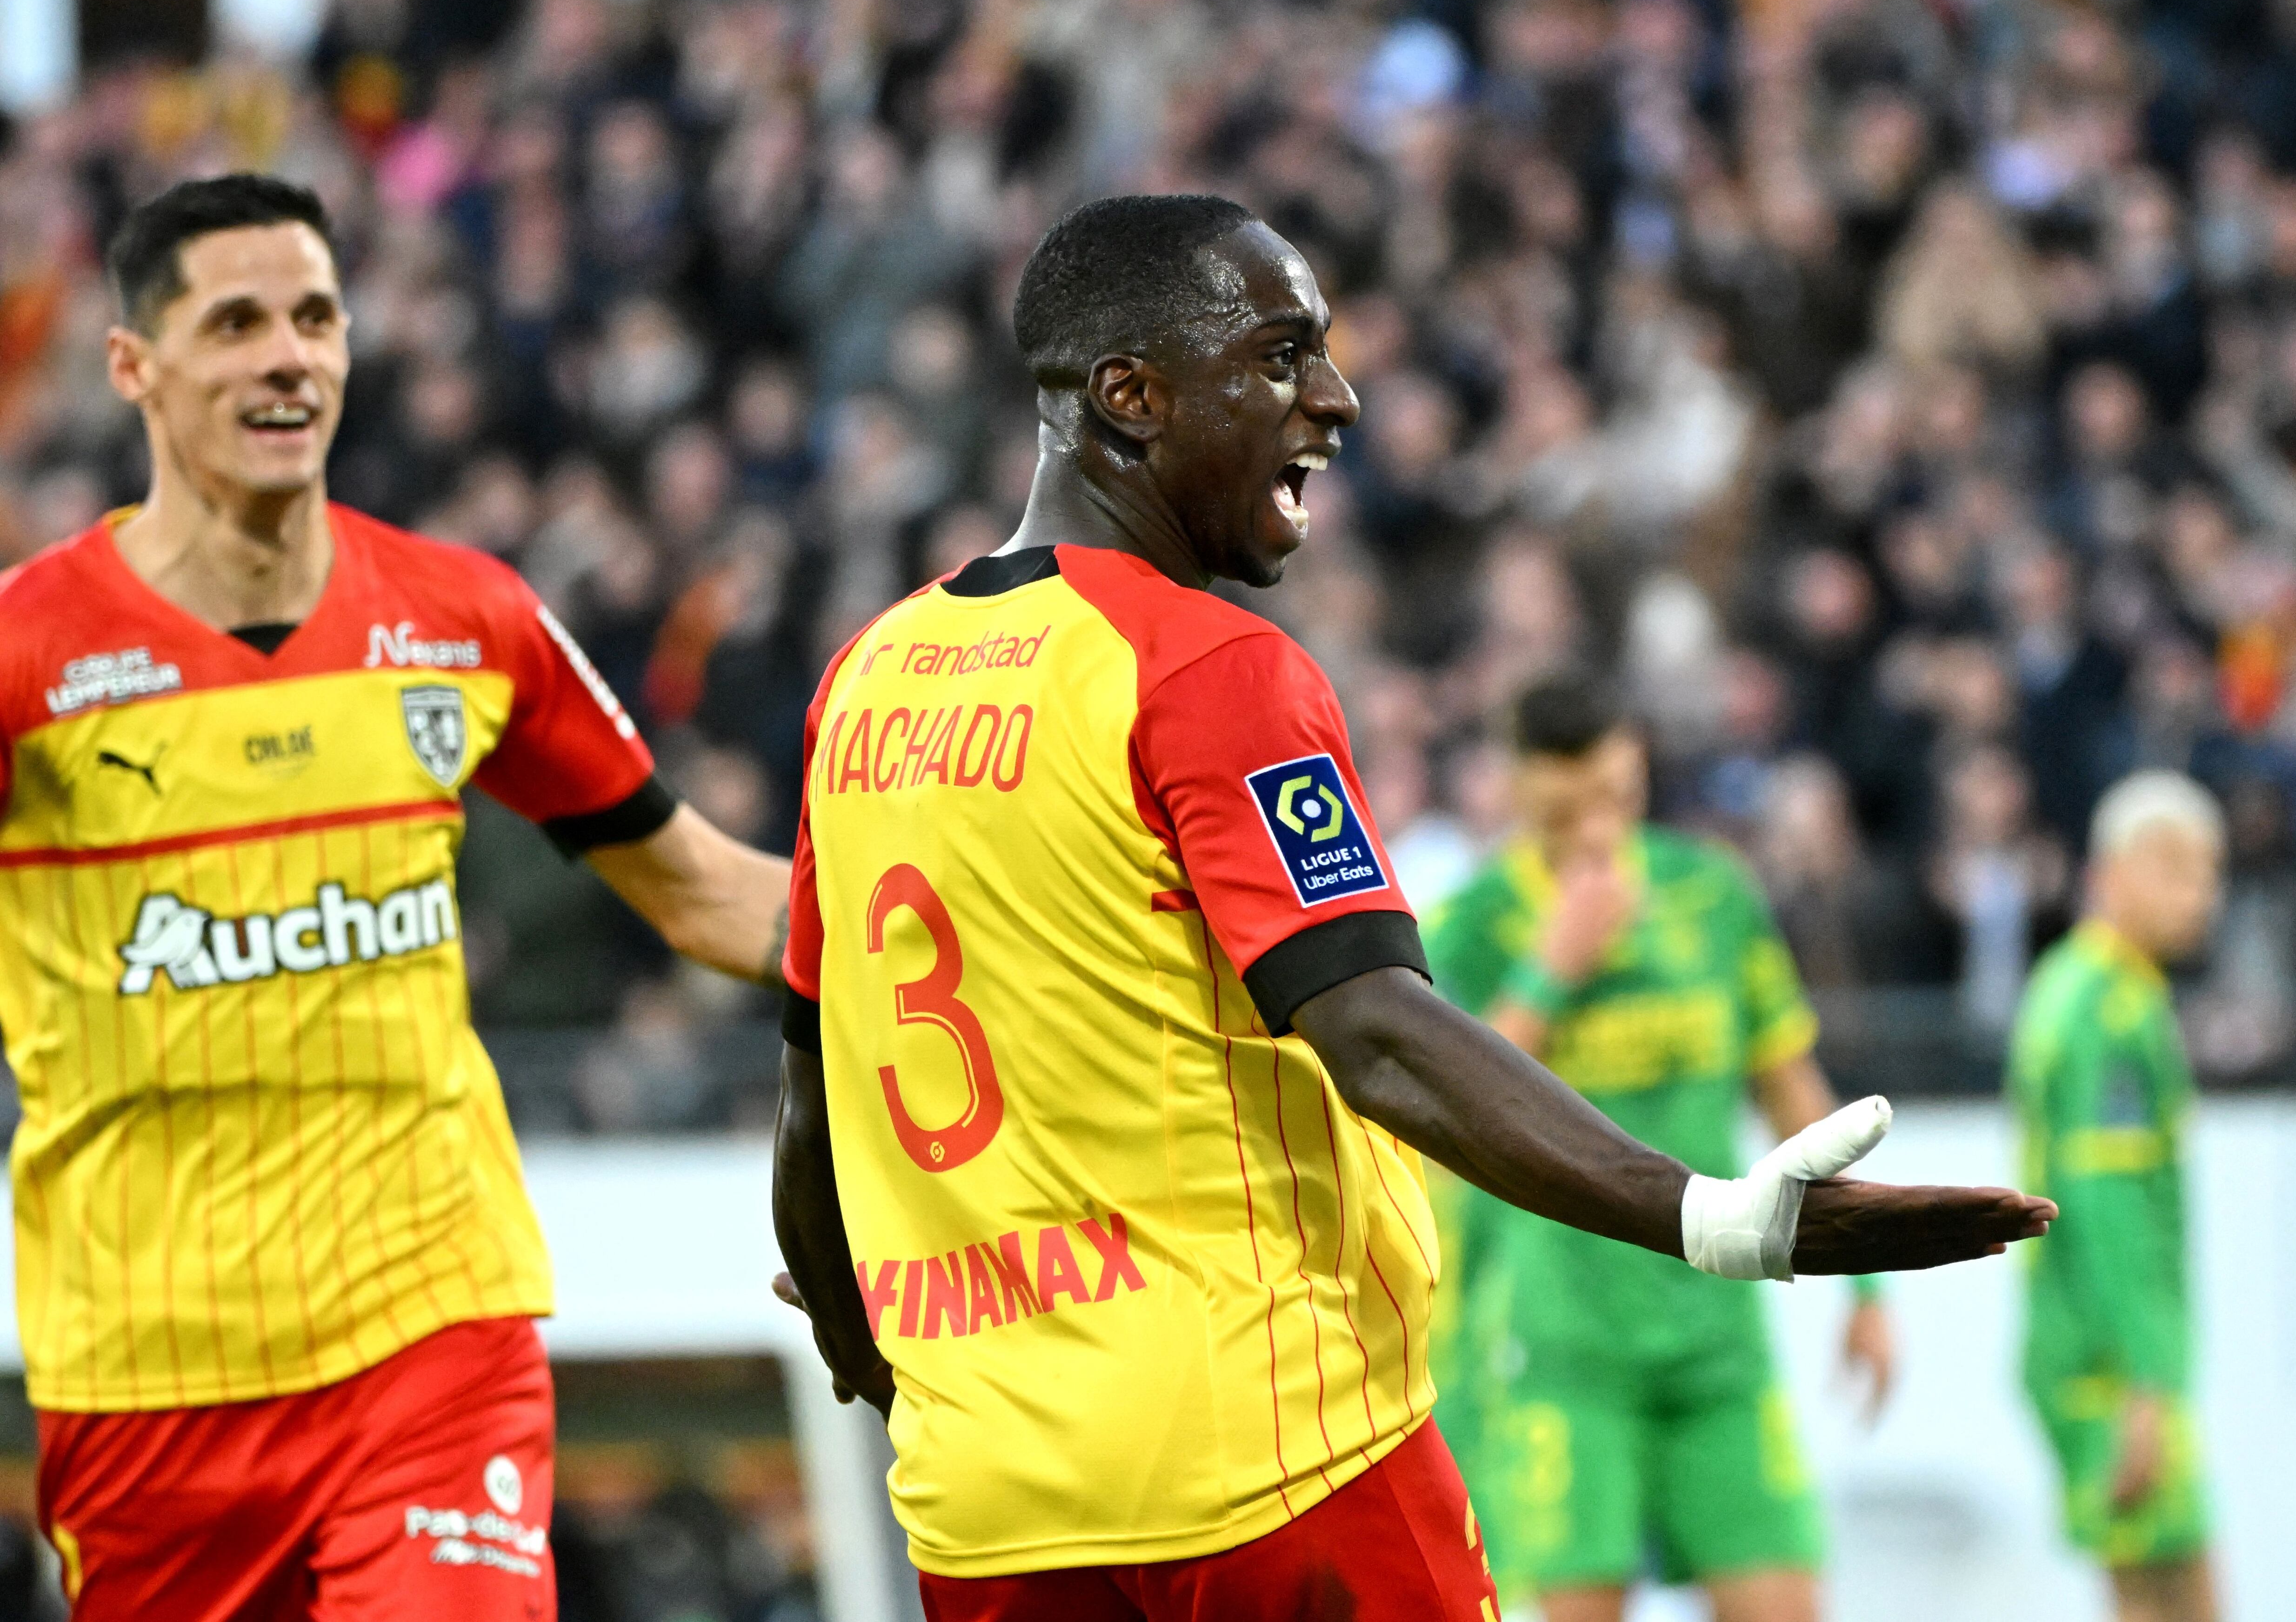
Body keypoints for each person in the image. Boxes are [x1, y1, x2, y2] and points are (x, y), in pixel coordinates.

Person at [770, 194, 2053, 1622]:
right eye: (1279, 358)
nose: (1337, 396)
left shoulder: (864, 683)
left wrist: (875, 1355)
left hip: (991, 1504)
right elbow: (1375, 1032)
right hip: (1272, 1459)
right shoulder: (1206, 667)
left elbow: (814, 1110)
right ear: (1128, 397)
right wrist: (1711, 1214)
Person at [5, 174, 793, 1619]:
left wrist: (976, 924)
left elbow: (706, 895)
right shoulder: (29, 655)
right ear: (132, 365)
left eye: (314, 317)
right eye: (234, 323)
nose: (285, 356)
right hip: (147, 1371)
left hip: (432, 1326)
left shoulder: (463, 617)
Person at [1423, 671, 1890, 1622]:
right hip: (1557, 1351)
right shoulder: (1468, 930)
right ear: (1514, 792)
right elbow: (1449, 1115)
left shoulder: (1713, 896)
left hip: (1716, 1344)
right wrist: (1552, 971)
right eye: (1564, 813)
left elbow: (1793, 1095)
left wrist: (1869, 1286)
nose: (1596, 833)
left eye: (1616, 800)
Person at [2010, 771, 2224, 1622]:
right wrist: (2147, 1380)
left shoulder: (2077, 985)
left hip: (2086, 1347)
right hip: (2108, 1361)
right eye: (2177, 867)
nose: (2202, 893)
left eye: (2210, 871)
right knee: (2175, 1600)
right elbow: (2106, 1209)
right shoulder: (2108, 1008)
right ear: (2114, 870)